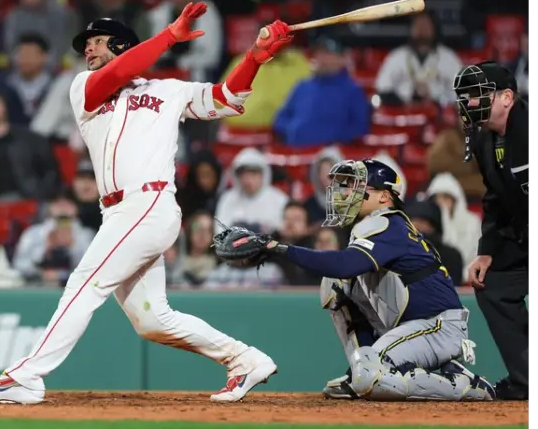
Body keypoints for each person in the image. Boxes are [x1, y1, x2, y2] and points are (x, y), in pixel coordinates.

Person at [0, 4, 295, 404]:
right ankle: (244, 359)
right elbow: (120, 72)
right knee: (152, 320)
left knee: (83, 284)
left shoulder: (168, 90)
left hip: (150, 203)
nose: (87, 49)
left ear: (121, 43)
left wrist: (254, 58)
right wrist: (168, 38)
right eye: (85, 43)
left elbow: (225, 100)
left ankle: (26, 376)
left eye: (97, 41)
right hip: (118, 212)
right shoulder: (83, 87)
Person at [213, 159, 496, 402]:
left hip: (438, 326)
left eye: (358, 187)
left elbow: (346, 264)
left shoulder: (390, 222)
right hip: (408, 323)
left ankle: (461, 384)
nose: (347, 192)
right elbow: (342, 272)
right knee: (334, 286)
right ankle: (360, 369)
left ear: (385, 196)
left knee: (371, 374)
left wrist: (279, 248)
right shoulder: (371, 225)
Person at [453, 61, 530, 400]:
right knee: (492, 283)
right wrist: (486, 250)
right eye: (466, 97)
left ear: (507, 98)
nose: (470, 103)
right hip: (522, 234)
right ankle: (526, 380)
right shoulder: (486, 141)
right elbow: (495, 201)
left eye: (479, 95)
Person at [273, 37, 370, 146]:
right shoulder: (303, 86)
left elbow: (359, 127)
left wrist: (332, 139)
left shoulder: (352, 90)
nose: (321, 58)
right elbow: (281, 119)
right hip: (295, 153)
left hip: (330, 156)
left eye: (327, 53)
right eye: (318, 53)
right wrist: (291, 131)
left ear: (342, 58)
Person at [374, 12, 463, 106]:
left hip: (438, 113)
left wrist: (437, 99)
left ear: (434, 29)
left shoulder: (449, 58)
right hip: (403, 113)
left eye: (426, 25)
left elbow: (461, 92)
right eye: (418, 25)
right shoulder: (397, 56)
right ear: (411, 29)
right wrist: (403, 100)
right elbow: (382, 87)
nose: (422, 30)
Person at [214, 147, 289, 235]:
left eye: (253, 174)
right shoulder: (227, 198)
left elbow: (283, 232)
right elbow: (220, 232)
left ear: (263, 174)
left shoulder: (280, 199)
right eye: (244, 175)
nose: (248, 180)